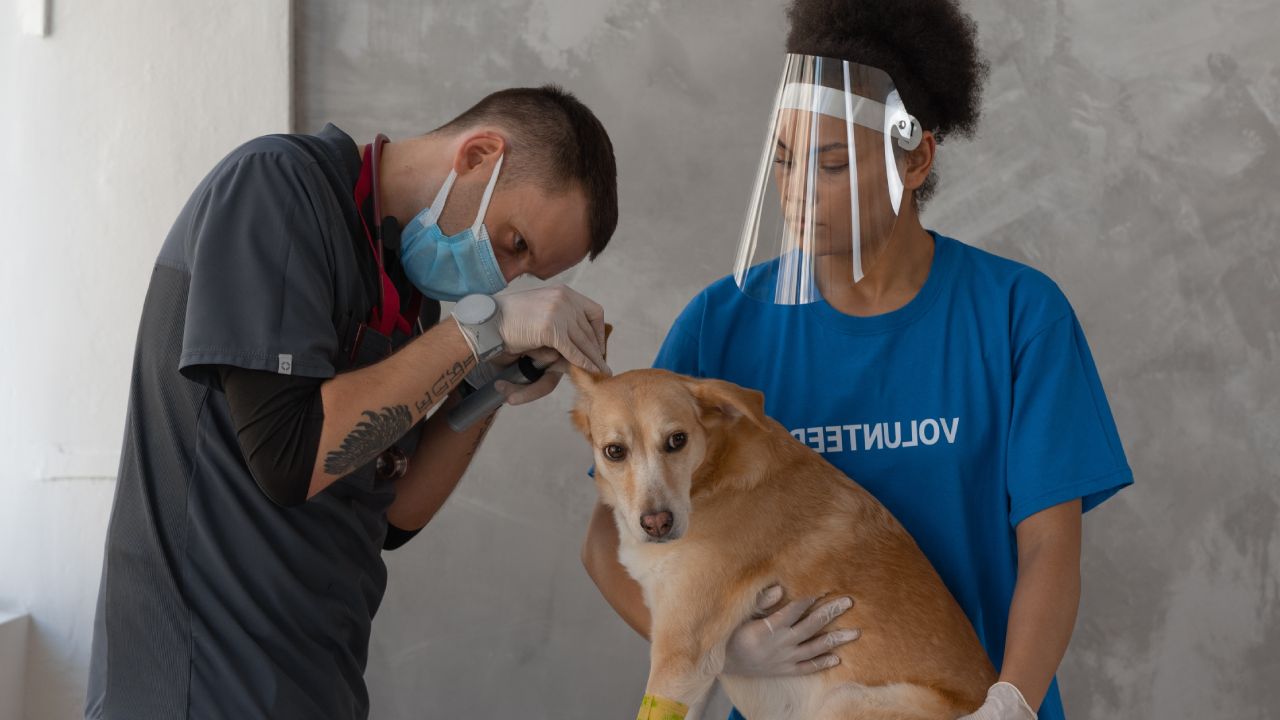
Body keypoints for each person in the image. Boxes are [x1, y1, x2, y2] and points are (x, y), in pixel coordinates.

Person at [582, 2, 1132, 719]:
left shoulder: (1017, 316)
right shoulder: (722, 325)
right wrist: (724, 647)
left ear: (916, 157)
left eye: (831, 163)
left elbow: (1049, 553)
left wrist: (1011, 704)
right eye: (782, 160)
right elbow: (607, 538)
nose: (797, 190)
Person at [86, 85, 618, 720]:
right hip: (197, 686)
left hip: (315, 681)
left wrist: (490, 382)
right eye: (515, 243)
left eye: (525, 276)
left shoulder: (404, 288)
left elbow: (395, 514)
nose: (504, 278)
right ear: (477, 155)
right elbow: (291, 457)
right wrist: (481, 331)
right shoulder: (276, 188)